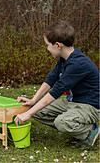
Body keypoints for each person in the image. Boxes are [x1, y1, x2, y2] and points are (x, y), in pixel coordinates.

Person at [14, 20, 99, 148]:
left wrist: (28, 115)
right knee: (34, 109)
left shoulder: (78, 64)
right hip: (72, 102)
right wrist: (33, 101)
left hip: (89, 106)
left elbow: (56, 91)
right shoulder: (64, 59)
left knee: (62, 123)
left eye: (48, 45)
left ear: (58, 45)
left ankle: (90, 131)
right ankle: (74, 124)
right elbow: (51, 79)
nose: (47, 49)